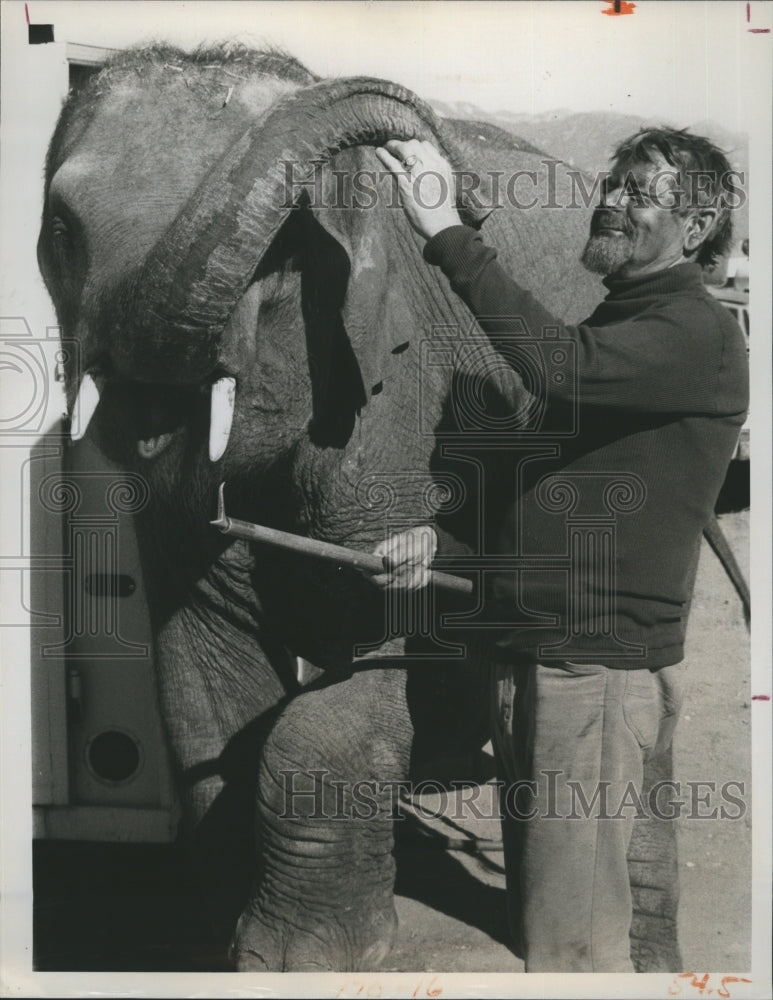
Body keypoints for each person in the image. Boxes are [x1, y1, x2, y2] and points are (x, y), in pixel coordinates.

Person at [370, 128, 749, 972]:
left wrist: (444, 233)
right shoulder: (628, 321)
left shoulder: (692, 331)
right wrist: (441, 550)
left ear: (694, 229)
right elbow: (551, 506)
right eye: (611, 182)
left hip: (592, 673)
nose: (611, 200)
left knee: (571, 944)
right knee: (559, 915)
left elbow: (556, 368)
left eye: (640, 192)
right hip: (543, 658)